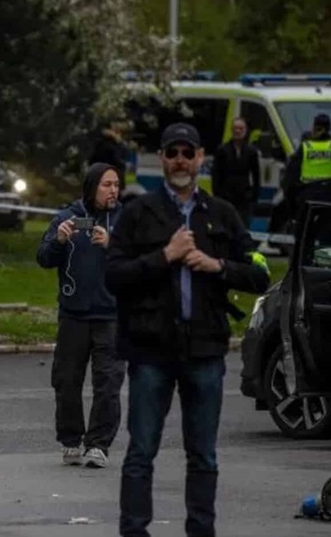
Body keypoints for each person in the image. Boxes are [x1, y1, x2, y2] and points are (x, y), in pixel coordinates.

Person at [106, 122, 270, 537]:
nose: (180, 160)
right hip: (150, 351)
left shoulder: (221, 213)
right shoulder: (137, 213)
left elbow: (260, 273)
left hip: (205, 350)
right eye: (172, 152)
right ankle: (134, 531)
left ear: (200, 159)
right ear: (161, 159)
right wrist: (165, 256)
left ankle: (201, 531)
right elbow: (113, 276)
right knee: (141, 452)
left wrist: (218, 266)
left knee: (203, 455)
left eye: (187, 152)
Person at [36, 163, 124, 469]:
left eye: (116, 185)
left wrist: (113, 244)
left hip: (111, 315)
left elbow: (143, 259)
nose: (113, 191)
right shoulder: (68, 217)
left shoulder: (126, 219)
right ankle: (71, 439)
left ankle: (98, 445)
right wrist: (59, 240)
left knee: (108, 383)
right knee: (67, 380)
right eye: (107, 185)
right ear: (91, 187)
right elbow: (43, 258)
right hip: (74, 314)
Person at [282, 113, 331, 222]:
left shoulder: (305, 148)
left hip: (308, 198)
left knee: (303, 229)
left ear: (314, 128)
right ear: (329, 129)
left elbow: (290, 179)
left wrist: (292, 208)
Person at [211, 117, 261, 226]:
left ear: (246, 131)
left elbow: (256, 175)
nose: (238, 131)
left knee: (242, 226)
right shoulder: (222, 150)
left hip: (244, 198)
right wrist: (218, 195)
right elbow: (216, 175)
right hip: (226, 197)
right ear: (232, 130)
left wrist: (253, 196)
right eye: (235, 128)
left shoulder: (251, 151)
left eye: (241, 129)